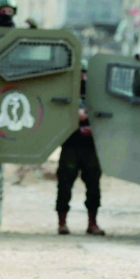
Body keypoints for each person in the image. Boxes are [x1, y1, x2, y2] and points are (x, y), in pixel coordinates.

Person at [56, 65, 105, 236]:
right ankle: (62, 223)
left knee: (93, 187)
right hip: (71, 144)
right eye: (80, 73)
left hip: (91, 147)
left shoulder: (98, 95)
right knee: (64, 185)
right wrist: (74, 115)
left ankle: (92, 223)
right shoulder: (66, 92)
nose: (83, 77)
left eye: (85, 73)